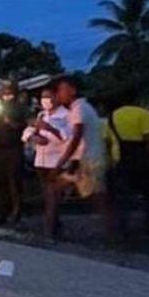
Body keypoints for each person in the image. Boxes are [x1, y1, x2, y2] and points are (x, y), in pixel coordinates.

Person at [52, 76, 113, 237]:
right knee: (96, 197)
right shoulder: (81, 108)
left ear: (72, 90)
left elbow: (77, 137)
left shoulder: (79, 109)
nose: (59, 94)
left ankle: (113, 232)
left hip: (89, 161)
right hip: (85, 160)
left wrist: (62, 161)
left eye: (62, 90)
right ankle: (52, 227)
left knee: (98, 198)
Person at [109, 89, 149, 238]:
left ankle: (123, 230)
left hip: (122, 159)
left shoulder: (113, 116)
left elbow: (110, 140)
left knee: (123, 197)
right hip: (142, 160)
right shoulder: (143, 114)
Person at [23, 87, 70, 239]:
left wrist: (50, 129)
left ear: (56, 98)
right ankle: (55, 225)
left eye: (48, 97)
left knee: (53, 195)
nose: (45, 101)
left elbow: (67, 138)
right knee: (48, 195)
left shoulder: (66, 115)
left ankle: (49, 230)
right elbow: (28, 131)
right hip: (41, 160)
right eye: (43, 97)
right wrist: (32, 138)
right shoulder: (42, 114)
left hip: (56, 161)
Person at [0, 82, 28, 224]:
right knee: (0, 182)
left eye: (9, 91)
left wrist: (10, 122)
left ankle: (17, 212)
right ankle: (3, 212)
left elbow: (25, 125)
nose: (6, 93)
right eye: (3, 90)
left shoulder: (20, 108)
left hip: (14, 148)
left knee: (15, 182)